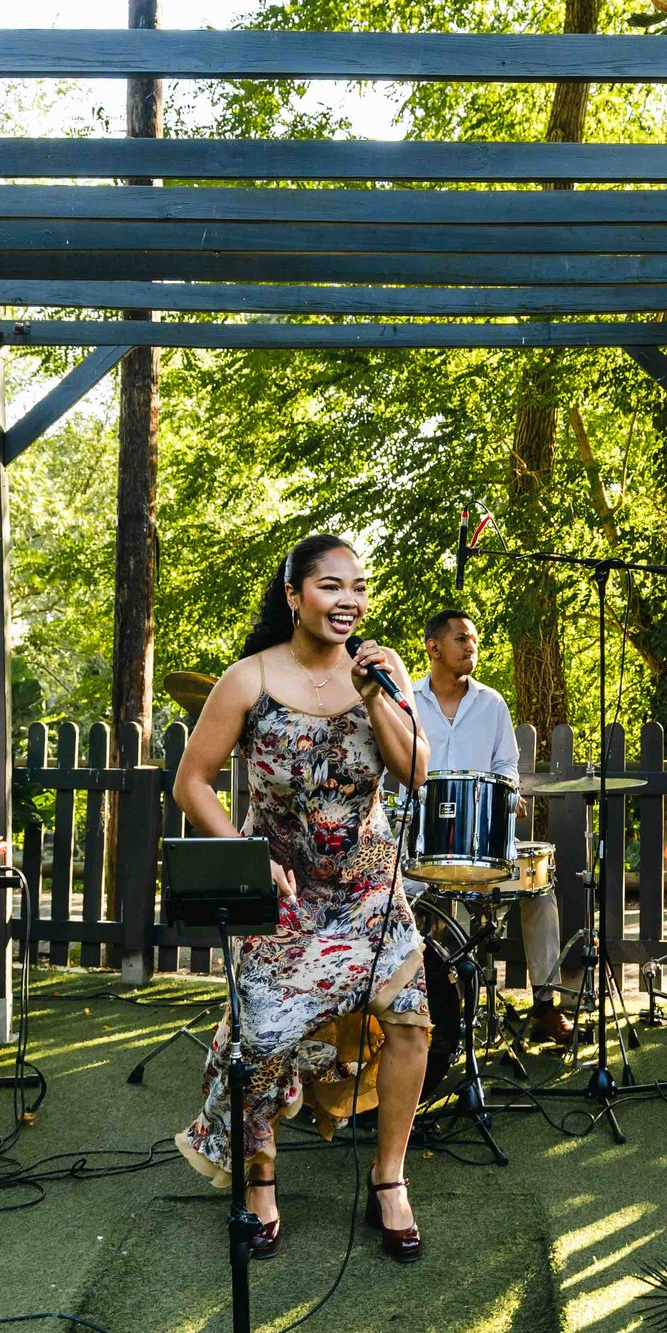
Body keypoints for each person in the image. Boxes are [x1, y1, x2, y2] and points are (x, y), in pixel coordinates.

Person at [172, 535, 432, 1263]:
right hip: (282, 894)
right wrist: (250, 859)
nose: (347, 600)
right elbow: (190, 781)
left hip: (368, 888)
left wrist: (381, 689)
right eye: (329, 586)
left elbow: (415, 771)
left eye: (357, 586)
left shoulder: (382, 671)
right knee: (259, 1044)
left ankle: (390, 1178)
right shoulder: (248, 679)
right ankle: (260, 1182)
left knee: (412, 1021)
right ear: (294, 596)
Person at [412, 608, 577, 1046]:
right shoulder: (406, 701)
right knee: (418, 900)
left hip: (484, 840)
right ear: (433, 647)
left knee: (539, 888)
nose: (472, 647)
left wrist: (508, 790)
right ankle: (443, 1012)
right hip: (423, 845)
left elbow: (506, 763)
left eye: (474, 640)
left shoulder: (491, 703)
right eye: (462, 639)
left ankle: (545, 1006)